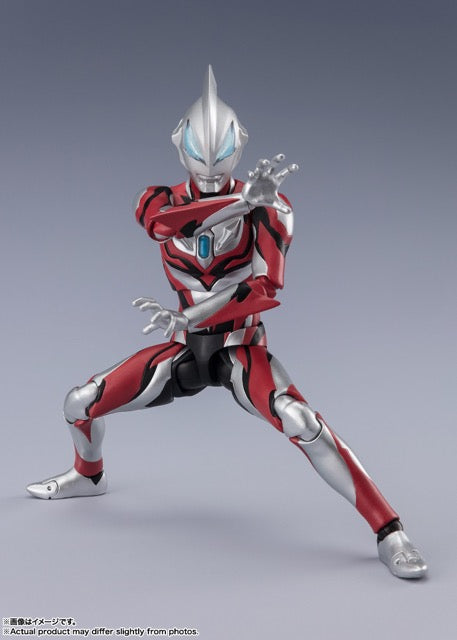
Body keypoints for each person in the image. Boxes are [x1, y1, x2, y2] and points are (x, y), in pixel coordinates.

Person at [27, 66, 427, 580]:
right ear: (180, 143)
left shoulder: (273, 209)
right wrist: (240, 202)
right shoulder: (160, 198)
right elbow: (162, 227)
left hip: (240, 348)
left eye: (222, 158)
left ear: (240, 144)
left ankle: (390, 531)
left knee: (301, 420)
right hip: (181, 349)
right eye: (200, 156)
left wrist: (191, 310)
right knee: (78, 403)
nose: (211, 171)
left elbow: (263, 291)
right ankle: (89, 475)